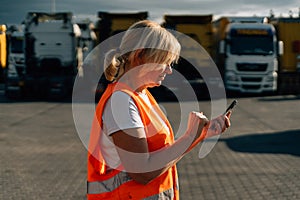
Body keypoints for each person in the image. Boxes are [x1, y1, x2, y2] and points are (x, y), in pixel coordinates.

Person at [87, 20, 232, 200]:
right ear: (140, 57)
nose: (170, 71)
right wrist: (188, 137)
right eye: (166, 62)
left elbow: (162, 154)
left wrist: (200, 134)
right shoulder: (121, 102)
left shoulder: (141, 95)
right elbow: (142, 172)